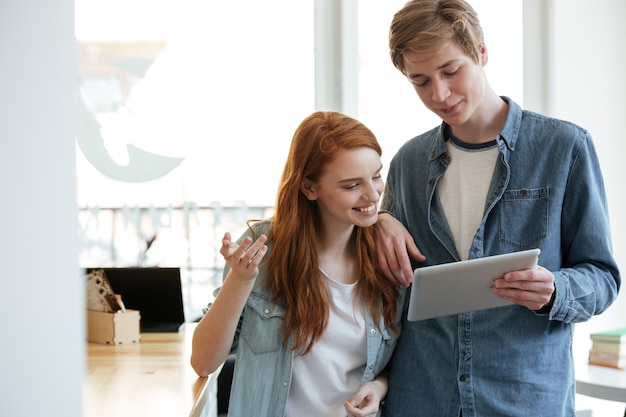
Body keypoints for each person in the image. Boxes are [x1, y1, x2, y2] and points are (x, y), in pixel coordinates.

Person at [373, 1, 621, 416]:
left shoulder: (564, 148)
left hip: (524, 398)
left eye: (451, 71)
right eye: (420, 81)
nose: (440, 94)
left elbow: (603, 277)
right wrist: (376, 221)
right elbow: (384, 286)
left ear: (482, 53)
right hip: (422, 396)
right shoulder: (407, 163)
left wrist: (556, 290)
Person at [191, 111, 404, 417]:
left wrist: (380, 386)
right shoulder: (262, 247)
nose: (372, 195)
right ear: (309, 187)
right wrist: (239, 281)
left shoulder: (386, 254)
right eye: (351, 186)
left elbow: (405, 360)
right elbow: (204, 361)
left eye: (376, 176)